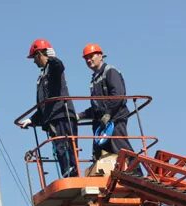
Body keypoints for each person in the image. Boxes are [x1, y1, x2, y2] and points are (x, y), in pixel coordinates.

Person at [18, 39, 79, 178]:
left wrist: (53, 58)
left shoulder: (53, 68)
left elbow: (60, 67)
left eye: (34, 57)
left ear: (40, 54)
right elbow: (44, 104)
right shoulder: (42, 75)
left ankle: (71, 174)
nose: (34, 61)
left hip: (62, 115)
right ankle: (68, 174)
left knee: (65, 147)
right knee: (59, 148)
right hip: (53, 118)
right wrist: (31, 120)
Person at [78, 43, 141, 174]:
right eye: (86, 58)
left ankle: (137, 174)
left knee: (120, 147)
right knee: (99, 153)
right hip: (102, 124)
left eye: (91, 56)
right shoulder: (94, 79)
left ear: (100, 56)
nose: (89, 60)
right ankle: (108, 177)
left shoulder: (110, 72)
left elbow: (118, 95)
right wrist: (80, 116)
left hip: (115, 119)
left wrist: (108, 114)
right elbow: (97, 106)